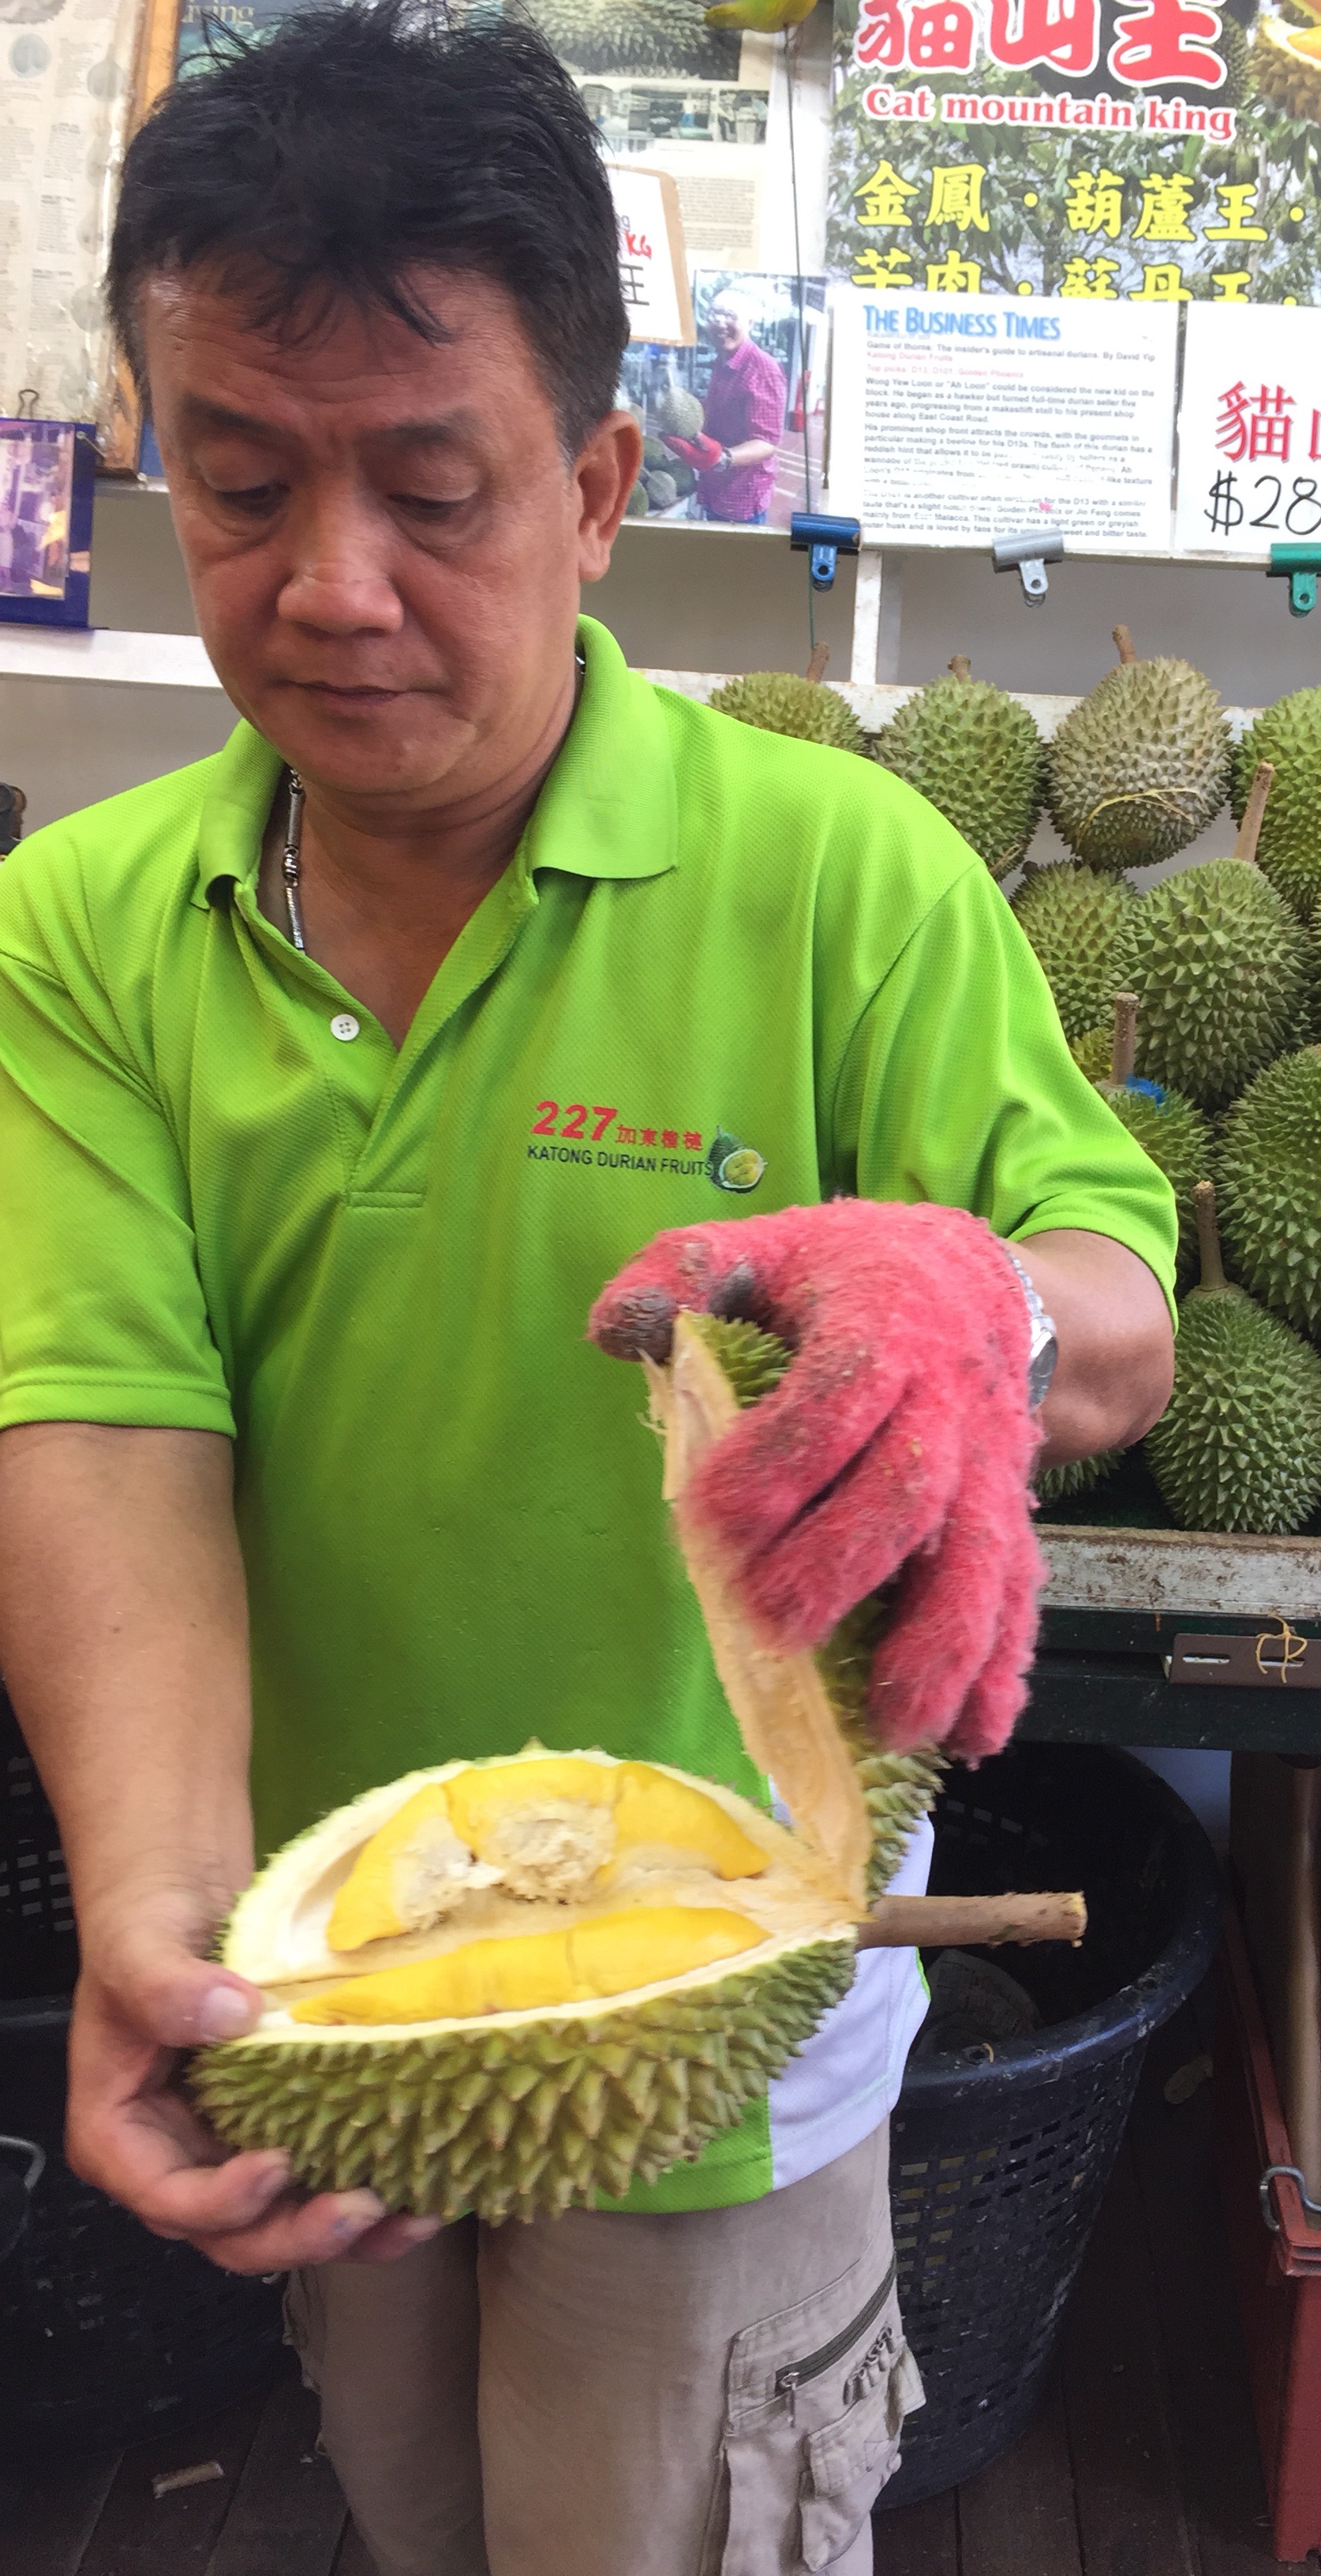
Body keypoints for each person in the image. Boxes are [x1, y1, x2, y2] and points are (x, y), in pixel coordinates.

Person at [0, 8, 1176, 2575]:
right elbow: (104, 1424)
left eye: (433, 489)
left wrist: (956, 1301)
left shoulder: (837, 876)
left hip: (730, 2036)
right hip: (358, 1983)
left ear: (601, 486)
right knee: (422, 2518)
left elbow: (1113, 1306)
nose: (329, 584)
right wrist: (156, 1912)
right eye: (237, 484)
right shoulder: (78, 935)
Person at [665, 288, 785, 526]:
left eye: (730, 315)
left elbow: (767, 442)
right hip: (714, 488)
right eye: (714, 315)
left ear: (749, 322)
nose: (721, 323)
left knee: (736, 561)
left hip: (741, 496)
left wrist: (722, 458)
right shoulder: (722, 362)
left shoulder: (763, 369)